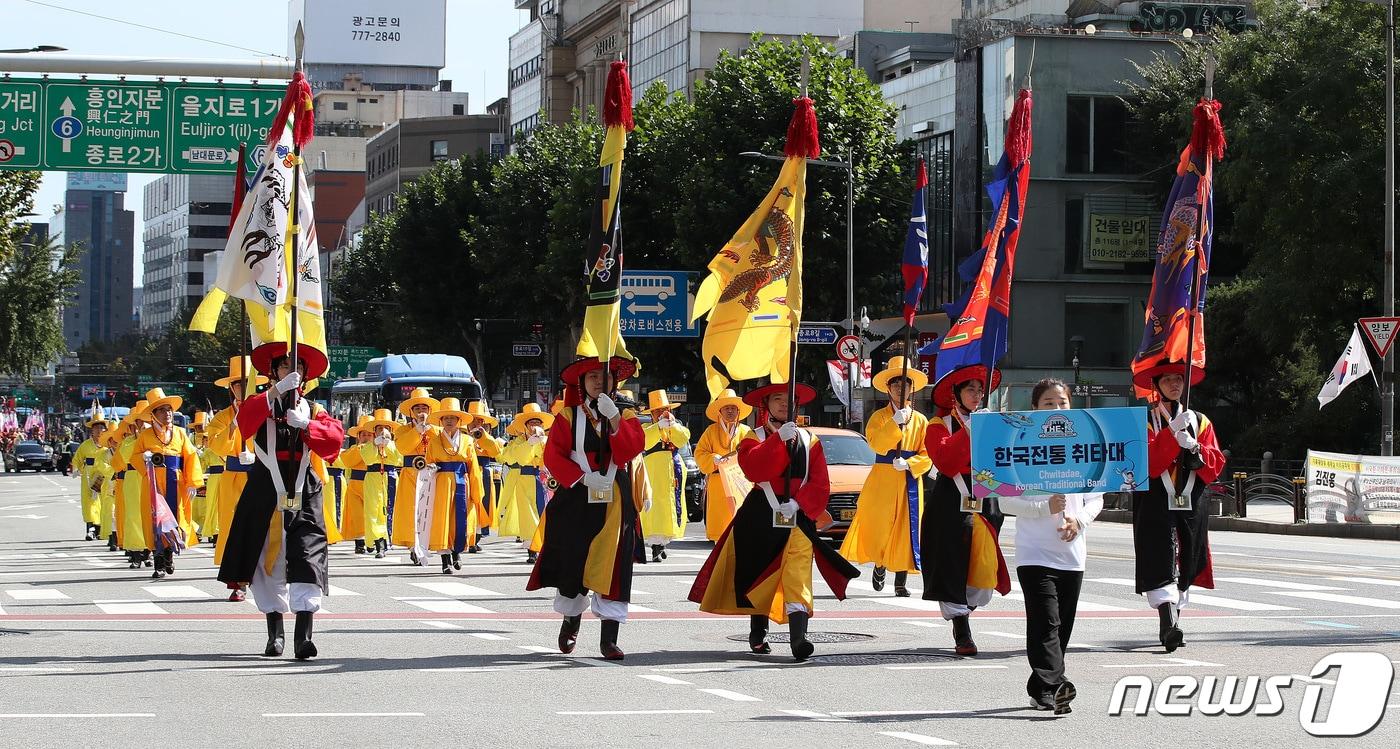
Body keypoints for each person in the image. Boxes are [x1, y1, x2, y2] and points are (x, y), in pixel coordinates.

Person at [689, 382, 859, 662]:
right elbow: (755, 468)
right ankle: (758, 630)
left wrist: (801, 502)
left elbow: (819, 480)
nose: (784, 404)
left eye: (789, 399)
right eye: (777, 399)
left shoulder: (810, 440)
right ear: (765, 406)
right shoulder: (752, 438)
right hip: (760, 513)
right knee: (759, 572)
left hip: (797, 513)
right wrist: (777, 440)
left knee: (798, 573)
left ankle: (798, 639)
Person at [218, 343, 343, 660]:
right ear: (273, 372)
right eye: (285, 366)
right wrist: (273, 394)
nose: (292, 372)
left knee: (308, 559)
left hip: (304, 492)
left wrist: (306, 426)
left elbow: (334, 441)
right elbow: (244, 422)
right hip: (264, 490)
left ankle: (304, 637)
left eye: (297, 367)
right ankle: (275, 634)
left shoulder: (314, 410)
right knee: (266, 563)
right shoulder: (260, 404)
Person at [527, 356, 645, 660]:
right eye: (591, 377)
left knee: (614, 565)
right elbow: (553, 456)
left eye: (604, 377)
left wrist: (615, 420)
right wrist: (581, 477)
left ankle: (609, 638)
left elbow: (632, 449)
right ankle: (571, 620)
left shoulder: (627, 414)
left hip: (615, 499)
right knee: (574, 561)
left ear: (614, 382)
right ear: (582, 383)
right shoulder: (568, 416)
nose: (598, 382)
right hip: (578, 495)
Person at [1000, 379, 1103, 715]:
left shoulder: (1084, 447)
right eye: (1048, 403)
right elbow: (1004, 502)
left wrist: (1079, 521)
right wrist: (1045, 508)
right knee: (1046, 623)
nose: (1056, 409)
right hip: (1034, 552)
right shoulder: (1020, 448)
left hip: (1072, 554)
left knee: (1063, 628)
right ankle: (1057, 687)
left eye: (1062, 403)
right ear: (1034, 409)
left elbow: (1096, 497)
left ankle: (1040, 688)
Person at [1131, 362, 1225, 653]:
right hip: (1156, 499)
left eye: (1178, 379)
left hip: (1192, 499)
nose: (1174, 384)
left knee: (1187, 556)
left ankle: (1173, 623)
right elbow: (1147, 462)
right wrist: (1170, 435)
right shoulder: (1145, 419)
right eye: (1168, 379)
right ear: (1156, 384)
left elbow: (1215, 465)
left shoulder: (1201, 421)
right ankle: (1168, 626)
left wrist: (1195, 447)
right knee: (1160, 558)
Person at [922, 365, 1012, 656]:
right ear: (956, 394)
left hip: (985, 501)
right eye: (970, 389)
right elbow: (946, 462)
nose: (976, 394)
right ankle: (961, 627)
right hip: (950, 502)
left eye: (979, 389)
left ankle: (966, 608)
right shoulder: (938, 425)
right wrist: (970, 431)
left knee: (984, 570)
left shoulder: (991, 422)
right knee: (951, 566)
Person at [841, 357, 932, 597]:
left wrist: (911, 463)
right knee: (880, 527)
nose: (901, 389)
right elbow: (877, 445)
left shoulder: (921, 420)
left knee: (906, 528)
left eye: (906, 384)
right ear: (888, 388)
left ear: (912, 388)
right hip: (882, 479)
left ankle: (900, 581)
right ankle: (880, 563)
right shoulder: (879, 417)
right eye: (895, 385)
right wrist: (894, 423)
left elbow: (928, 454)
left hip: (908, 479)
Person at [207, 356, 269, 601]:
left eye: (248, 383)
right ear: (231, 388)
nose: (243, 388)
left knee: (263, 524)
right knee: (234, 526)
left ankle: (264, 576)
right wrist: (233, 427)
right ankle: (238, 582)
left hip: (259, 475)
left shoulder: (265, 410)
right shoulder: (222, 417)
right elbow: (215, 446)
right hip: (232, 477)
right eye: (239, 384)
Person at [131, 388, 205, 579]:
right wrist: (144, 457)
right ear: (154, 415)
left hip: (176, 481)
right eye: (162, 410)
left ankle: (169, 554)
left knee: (173, 519)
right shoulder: (145, 436)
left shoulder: (180, 433)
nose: (167, 414)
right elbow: (134, 457)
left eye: (169, 410)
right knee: (156, 520)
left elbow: (190, 457)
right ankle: (159, 562)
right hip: (153, 484)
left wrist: (192, 483)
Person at [424, 398, 487, 574]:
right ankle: (445, 559)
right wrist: (430, 469)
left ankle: (457, 551)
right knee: (442, 520)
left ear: (459, 421)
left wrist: (476, 491)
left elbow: (473, 466)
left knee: (460, 519)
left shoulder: (467, 440)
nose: (449, 421)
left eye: (453, 418)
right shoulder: (434, 441)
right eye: (446, 418)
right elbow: (429, 462)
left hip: (462, 481)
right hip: (441, 483)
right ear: (441, 421)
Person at [694, 389, 755, 543]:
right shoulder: (711, 431)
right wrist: (712, 458)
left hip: (740, 482)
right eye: (726, 408)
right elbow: (699, 453)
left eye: (733, 408)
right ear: (720, 411)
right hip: (717, 482)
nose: (730, 411)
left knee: (741, 522)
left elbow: (754, 453)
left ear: (738, 411)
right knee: (720, 526)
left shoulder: (746, 431)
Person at [640, 390, 691, 562]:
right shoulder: (647, 428)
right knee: (655, 507)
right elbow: (645, 441)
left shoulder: (675, 427)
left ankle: (662, 543)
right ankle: (655, 545)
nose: (660, 414)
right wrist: (658, 426)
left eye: (664, 410)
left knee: (672, 506)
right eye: (656, 411)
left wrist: (672, 425)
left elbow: (684, 438)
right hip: (654, 471)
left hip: (673, 470)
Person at [498, 403, 553, 563]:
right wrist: (530, 443)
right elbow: (517, 458)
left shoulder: (547, 440)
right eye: (531, 423)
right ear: (526, 426)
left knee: (545, 512)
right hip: (524, 480)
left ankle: (545, 546)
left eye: (537, 423)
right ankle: (532, 549)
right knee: (528, 515)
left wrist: (540, 441)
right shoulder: (518, 442)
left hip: (545, 480)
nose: (535, 426)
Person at [392, 387, 440, 565]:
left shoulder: (436, 429)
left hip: (430, 473)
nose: (421, 412)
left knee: (429, 509)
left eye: (424, 408)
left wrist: (428, 429)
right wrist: (418, 430)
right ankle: (413, 546)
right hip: (410, 475)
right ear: (411, 411)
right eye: (418, 408)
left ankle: (426, 543)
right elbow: (403, 448)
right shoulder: (402, 430)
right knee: (411, 510)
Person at [358, 408, 402, 559]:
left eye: (386, 429)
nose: (383, 432)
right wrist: (375, 445)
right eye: (379, 429)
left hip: (390, 476)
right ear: (374, 432)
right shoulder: (367, 446)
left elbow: (398, 460)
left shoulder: (395, 445)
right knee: (373, 510)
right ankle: (378, 542)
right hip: (373, 477)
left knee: (389, 508)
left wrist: (388, 444)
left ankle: (388, 539)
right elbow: (369, 460)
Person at [465, 400, 503, 553]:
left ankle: (477, 536)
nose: (476, 423)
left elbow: (496, 453)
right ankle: (469, 536)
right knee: (469, 505)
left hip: (484, 473)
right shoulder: (461, 435)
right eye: (473, 420)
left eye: (480, 420)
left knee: (483, 505)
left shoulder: (487, 437)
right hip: (468, 472)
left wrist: (483, 437)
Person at [72, 415, 111, 541]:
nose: (100, 431)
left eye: (102, 428)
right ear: (92, 431)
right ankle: (90, 529)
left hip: (104, 476)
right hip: (89, 478)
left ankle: (100, 529)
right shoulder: (85, 445)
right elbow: (77, 459)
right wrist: (76, 469)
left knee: (103, 502)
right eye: (97, 428)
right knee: (89, 503)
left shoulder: (108, 446)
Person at [339, 417, 372, 554]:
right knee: (357, 515)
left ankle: (372, 541)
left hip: (372, 483)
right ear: (358, 437)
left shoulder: (378, 448)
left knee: (372, 514)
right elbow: (347, 462)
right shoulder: (354, 449)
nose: (365, 437)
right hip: (355, 484)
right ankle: (360, 542)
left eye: (369, 434)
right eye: (363, 434)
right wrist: (361, 449)